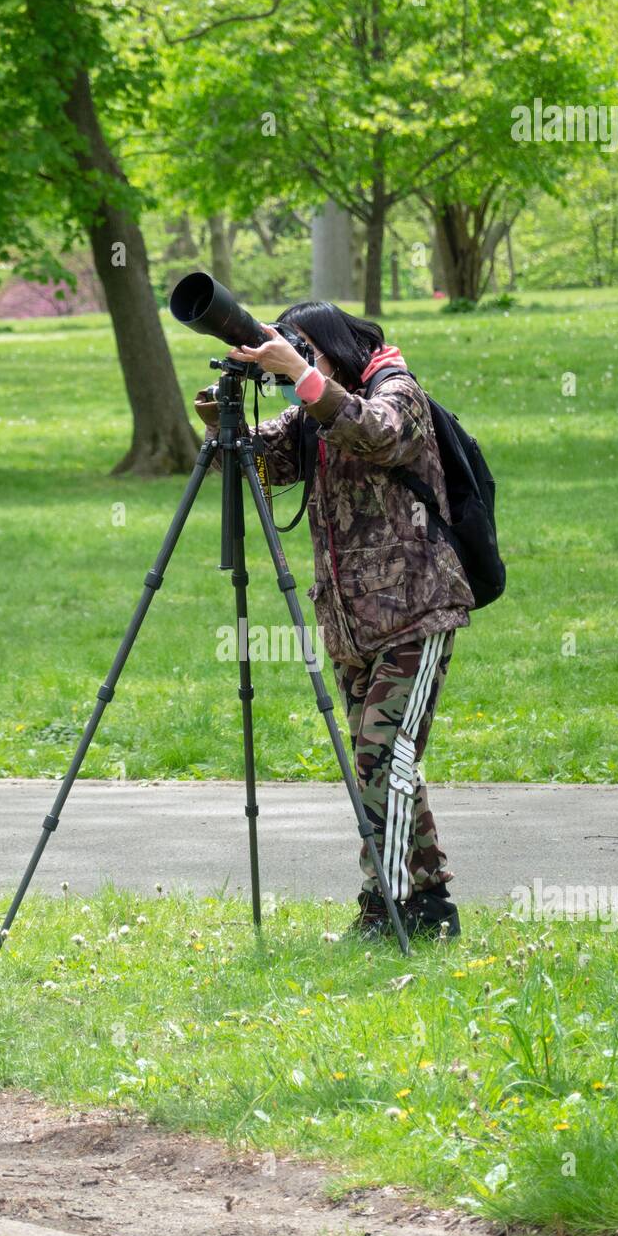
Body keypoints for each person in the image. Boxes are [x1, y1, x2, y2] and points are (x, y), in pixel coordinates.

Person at [194, 301, 474, 940]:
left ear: (335, 346)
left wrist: (302, 376)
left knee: (383, 760)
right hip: (350, 623)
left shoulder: (398, 390)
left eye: (310, 354)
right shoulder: (314, 410)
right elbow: (253, 465)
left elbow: (374, 433)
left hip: (416, 610)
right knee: (385, 763)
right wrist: (221, 415)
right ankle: (432, 908)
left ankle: (387, 905)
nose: (303, 369)